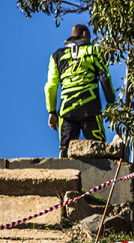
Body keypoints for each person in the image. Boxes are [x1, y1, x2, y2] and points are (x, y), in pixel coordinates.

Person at [44, 23, 116, 158]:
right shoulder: (94, 50)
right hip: (90, 107)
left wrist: (52, 111)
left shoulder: (57, 56)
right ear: (84, 35)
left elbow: (51, 85)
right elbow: (104, 77)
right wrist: (111, 104)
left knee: (65, 152)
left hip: (67, 109)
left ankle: (64, 176)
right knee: (100, 149)